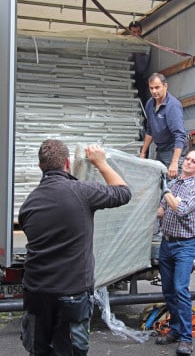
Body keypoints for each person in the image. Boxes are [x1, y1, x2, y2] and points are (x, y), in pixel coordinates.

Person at [18, 139, 132, 356]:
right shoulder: (82, 192)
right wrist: (101, 162)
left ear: (40, 166)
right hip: (71, 293)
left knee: (39, 349)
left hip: (36, 291)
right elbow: (123, 193)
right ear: (68, 163)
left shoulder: (29, 203)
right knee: (70, 350)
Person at [155, 149, 195, 355]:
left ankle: (186, 339)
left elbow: (180, 209)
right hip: (166, 244)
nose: (189, 163)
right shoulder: (174, 184)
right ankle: (175, 330)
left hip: (184, 246)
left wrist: (164, 189)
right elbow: (161, 211)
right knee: (168, 291)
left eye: (194, 162)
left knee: (180, 291)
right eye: (187, 159)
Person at [139, 72, 187, 180]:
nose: (154, 91)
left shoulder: (172, 106)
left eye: (157, 87)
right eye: (151, 88)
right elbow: (150, 130)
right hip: (160, 150)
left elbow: (180, 136)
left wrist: (174, 163)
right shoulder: (150, 104)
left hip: (172, 151)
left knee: (173, 185)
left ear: (165, 86)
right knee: (159, 182)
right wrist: (143, 153)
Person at [129, 21, 150, 107]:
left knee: (142, 97)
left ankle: (144, 119)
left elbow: (142, 66)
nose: (136, 34)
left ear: (141, 31)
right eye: (134, 32)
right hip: (127, 75)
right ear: (130, 32)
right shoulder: (125, 44)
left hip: (138, 75)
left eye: (138, 31)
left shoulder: (144, 44)